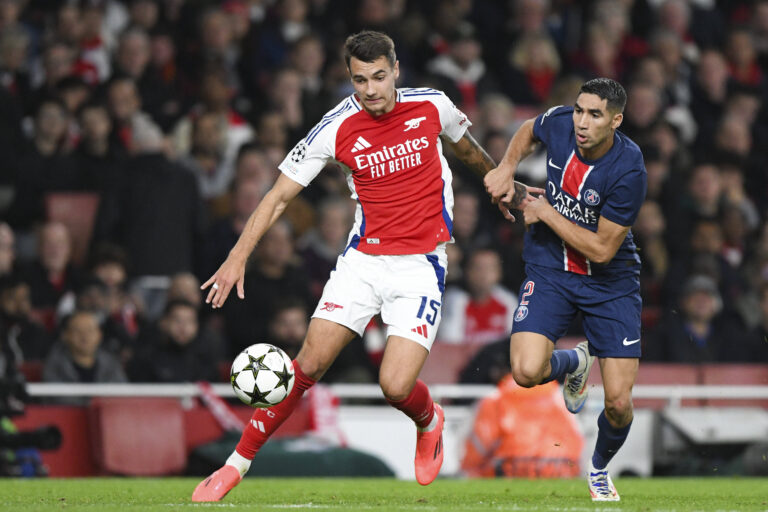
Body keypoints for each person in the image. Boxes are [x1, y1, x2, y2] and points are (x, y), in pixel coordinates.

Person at [191, 30, 540, 502]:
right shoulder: (335, 128)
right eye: (360, 80)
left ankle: (428, 419)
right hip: (362, 262)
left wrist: (503, 184)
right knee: (304, 366)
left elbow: (466, 149)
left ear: (396, 70)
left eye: (379, 77)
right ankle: (235, 465)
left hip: (419, 265)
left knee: (395, 386)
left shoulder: (432, 105)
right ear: (349, 79)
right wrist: (237, 257)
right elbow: (277, 197)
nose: (371, 89)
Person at [484, 78, 646, 501]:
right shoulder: (559, 123)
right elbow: (529, 130)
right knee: (524, 371)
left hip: (609, 282)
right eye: (579, 110)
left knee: (617, 403)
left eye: (594, 115)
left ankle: (598, 469)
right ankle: (574, 363)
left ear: (616, 120)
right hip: (551, 269)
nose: (582, 122)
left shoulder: (629, 169)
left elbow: (603, 249)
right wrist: (505, 167)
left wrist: (544, 212)